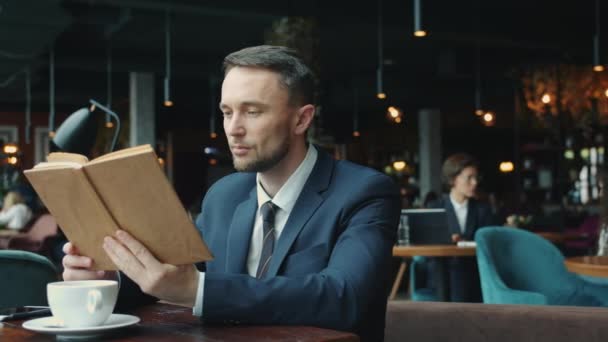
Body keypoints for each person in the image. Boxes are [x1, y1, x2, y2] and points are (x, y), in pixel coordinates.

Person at [62, 45, 401, 341]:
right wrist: (110, 278)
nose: (233, 129)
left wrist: (198, 290)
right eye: (227, 112)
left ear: (301, 120)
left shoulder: (365, 192)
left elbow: (344, 299)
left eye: (252, 112)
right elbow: (171, 276)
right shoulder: (223, 195)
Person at [428, 153, 497, 302]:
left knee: (461, 276)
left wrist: (462, 241)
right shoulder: (435, 208)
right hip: (443, 271)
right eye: (469, 178)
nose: (475, 183)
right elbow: (426, 243)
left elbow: (488, 242)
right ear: (453, 179)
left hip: (473, 270)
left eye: (476, 178)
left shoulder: (483, 209)